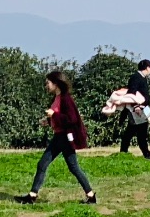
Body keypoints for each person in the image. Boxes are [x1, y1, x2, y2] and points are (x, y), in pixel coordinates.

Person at [17, 70, 96, 205]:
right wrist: (48, 121)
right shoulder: (58, 97)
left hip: (64, 138)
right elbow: (60, 117)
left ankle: (91, 196)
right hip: (59, 136)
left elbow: (71, 119)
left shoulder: (66, 98)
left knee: (73, 167)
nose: (46, 86)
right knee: (43, 164)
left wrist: (53, 115)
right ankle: (32, 195)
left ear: (56, 83)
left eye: (47, 83)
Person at [118, 59, 150, 160]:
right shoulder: (136, 77)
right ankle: (146, 154)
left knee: (135, 131)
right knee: (139, 132)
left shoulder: (142, 78)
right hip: (137, 110)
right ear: (147, 67)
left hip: (144, 109)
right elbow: (132, 93)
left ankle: (125, 151)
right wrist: (136, 106)